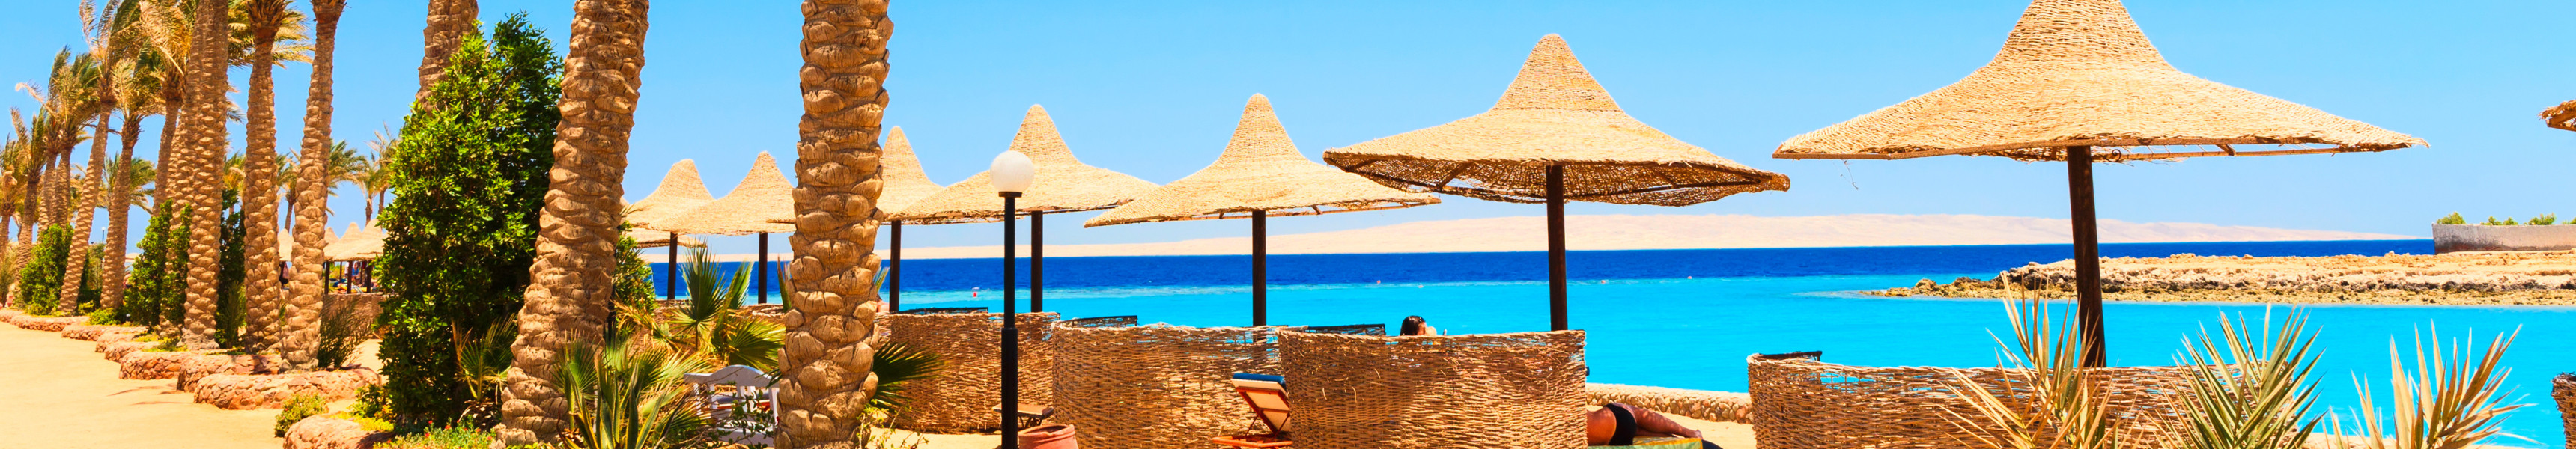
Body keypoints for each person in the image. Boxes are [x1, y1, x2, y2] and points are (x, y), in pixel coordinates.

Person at [1586, 402, 1721, 448]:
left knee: (1637, 427)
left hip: (1614, 435)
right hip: (1619, 420)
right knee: (1631, 412)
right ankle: (1689, 433)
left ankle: (1687, 435)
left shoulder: (1568, 420)